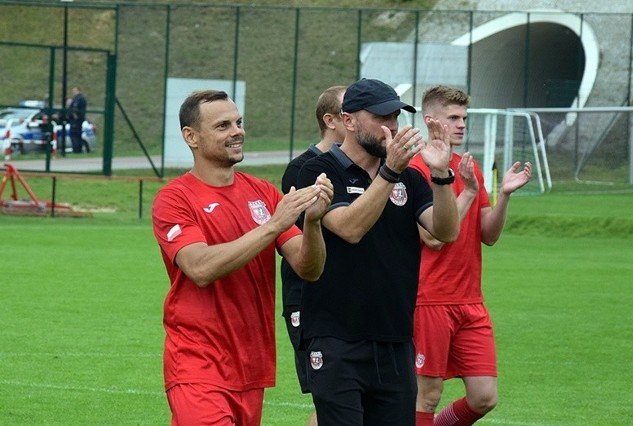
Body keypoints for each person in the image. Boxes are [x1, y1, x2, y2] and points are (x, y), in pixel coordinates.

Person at [151, 89, 333, 426]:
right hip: (197, 362)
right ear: (191, 137)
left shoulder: (262, 193)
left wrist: (313, 222)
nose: (237, 131)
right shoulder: (174, 199)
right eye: (223, 126)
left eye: (239, 122)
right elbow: (200, 267)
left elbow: (309, 268)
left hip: (250, 364)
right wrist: (274, 225)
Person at [295, 78, 460, 425]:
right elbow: (350, 228)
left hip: (396, 339)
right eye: (381, 118)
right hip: (336, 338)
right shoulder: (319, 170)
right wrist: (390, 171)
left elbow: (446, 231)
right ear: (349, 121)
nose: (392, 128)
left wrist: (442, 175)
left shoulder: (410, 180)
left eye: (395, 118)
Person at [410, 85, 532, 426]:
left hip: (470, 301)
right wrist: (468, 193)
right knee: (427, 394)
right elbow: (433, 238)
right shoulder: (416, 170)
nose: (462, 124)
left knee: (484, 396)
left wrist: (504, 195)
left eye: (464, 118)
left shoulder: (468, 168)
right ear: (430, 120)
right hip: (429, 298)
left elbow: (488, 235)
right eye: (453, 117)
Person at [280, 85, 347, 426]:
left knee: (345, 399)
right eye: (349, 110)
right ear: (331, 120)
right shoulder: (302, 170)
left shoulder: (357, 168)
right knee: (329, 399)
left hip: (346, 300)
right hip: (308, 298)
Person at [68, 87, 87, 153]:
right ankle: (79, 149)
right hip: (80, 119)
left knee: (74, 135)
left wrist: (74, 115)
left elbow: (74, 108)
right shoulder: (82, 98)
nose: (73, 92)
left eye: (74, 91)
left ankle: (76, 150)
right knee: (78, 135)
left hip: (75, 121)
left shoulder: (78, 98)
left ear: (78, 91)